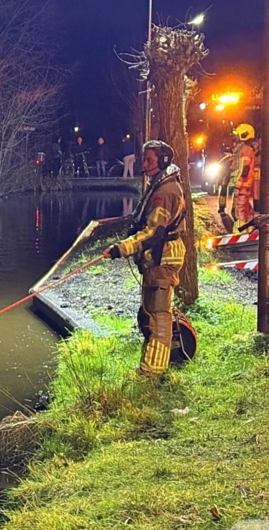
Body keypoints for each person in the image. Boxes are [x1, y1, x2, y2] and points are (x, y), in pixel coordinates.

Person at [102, 140, 186, 376]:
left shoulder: (165, 192)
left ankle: (152, 373)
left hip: (163, 260)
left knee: (159, 315)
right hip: (155, 260)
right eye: (144, 158)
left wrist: (122, 248)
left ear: (163, 161)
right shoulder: (159, 185)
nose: (144, 163)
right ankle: (149, 366)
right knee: (149, 312)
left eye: (149, 159)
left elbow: (153, 232)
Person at [229, 124, 257, 225]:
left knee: (239, 210)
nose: (235, 137)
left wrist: (238, 184)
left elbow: (245, 169)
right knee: (246, 209)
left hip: (243, 186)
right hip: (244, 185)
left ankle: (241, 231)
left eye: (237, 135)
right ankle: (250, 228)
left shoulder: (246, 150)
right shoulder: (244, 149)